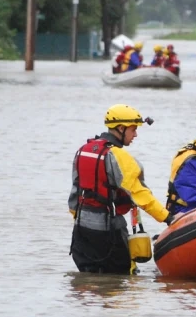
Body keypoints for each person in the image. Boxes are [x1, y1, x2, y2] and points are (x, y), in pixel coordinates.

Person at [69, 104, 175, 274]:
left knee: (88, 284)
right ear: (120, 128)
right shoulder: (119, 156)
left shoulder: (83, 150)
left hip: (81, 232)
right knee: (126, 278)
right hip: (110, 232)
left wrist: (79, 218)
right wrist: (168, 218)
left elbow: (74, 194)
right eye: (133, 129)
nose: (136, 135)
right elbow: (140, 194)